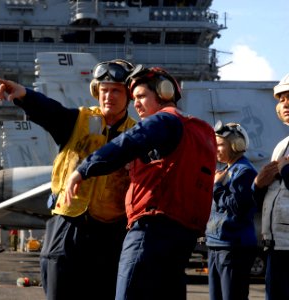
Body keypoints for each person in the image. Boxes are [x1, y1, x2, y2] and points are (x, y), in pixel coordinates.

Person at [65, 65, 217, 300]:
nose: (135, 104)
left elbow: (128, 142)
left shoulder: (165, 120)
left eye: (141, 96)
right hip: (183, 237)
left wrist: (83, 170)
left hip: (150, 232)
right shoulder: (199, 130)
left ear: (164, 93)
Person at [0, 59, 137, 300]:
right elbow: (50, 111)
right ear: (96, 92)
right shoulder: (76, 121)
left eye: (116, 91)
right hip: (69, 225)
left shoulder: (137, 135)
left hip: (111, 232)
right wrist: (24, 95)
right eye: (104, 90)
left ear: (129, 96)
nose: (108, 96)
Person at [205, 121, 258, 300]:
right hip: (216, 244)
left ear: (237, 145)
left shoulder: (244, 172)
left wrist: (217, 187)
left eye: (220, 144)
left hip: (233, 247)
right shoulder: (225, 171)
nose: (216, 149)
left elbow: (238, 207)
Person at [252, 73, 289, 300]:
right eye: (282, 99)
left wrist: (285, 169)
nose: (284, 104)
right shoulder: (282, 145)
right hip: (276, 242)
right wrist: (258, 185)